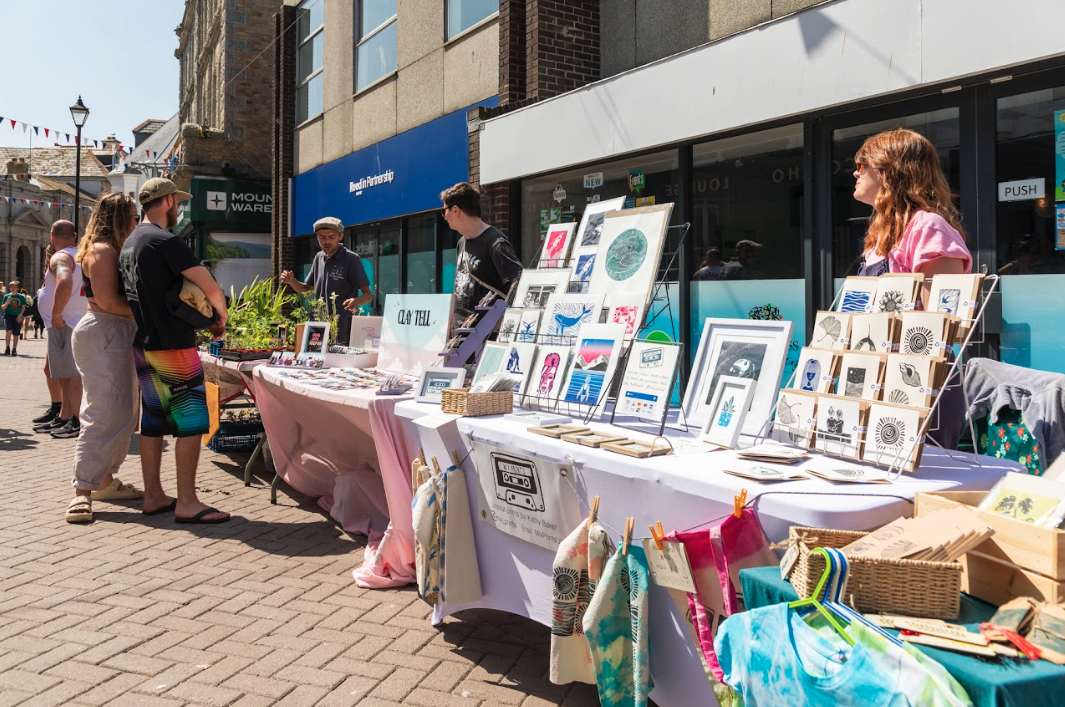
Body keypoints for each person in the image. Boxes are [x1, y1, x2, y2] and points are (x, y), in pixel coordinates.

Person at [851, 127, 971, 450]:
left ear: (891, 170)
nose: (855, 172)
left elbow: (941, 327)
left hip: (919, 389)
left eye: (863, 165)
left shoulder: (928, 227)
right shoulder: (879, 237)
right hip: (879, 384)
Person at [120, 178, 230, 523]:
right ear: (168, 200)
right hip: (173, 344)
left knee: (152, 421)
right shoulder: (164, 240)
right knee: (191, 421)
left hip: (145, 343)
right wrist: (221, 315)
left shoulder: (130, 242)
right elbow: (206, 282)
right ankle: (187, 502)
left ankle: (153, 496)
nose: (178, 206)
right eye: (176, 201)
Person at [65, 193, 145, 523]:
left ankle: (105, 480)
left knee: (123, 412)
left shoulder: (113, 250)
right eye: (132, 215)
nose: (137, 222)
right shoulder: (101, 250)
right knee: (104, 410)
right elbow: (109, 302)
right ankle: (81, 492)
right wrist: (154, 309)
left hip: (116, 331)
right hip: (106, 330)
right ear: (118, 217)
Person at [440, 182, 524, 331]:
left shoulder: (494, 242)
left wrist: (501, 321)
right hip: (460, 341)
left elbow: (518, 280)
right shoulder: (461, 242)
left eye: (444, 210)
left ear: (455, 210)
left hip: (483, 341)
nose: (444, 216)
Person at [34, 220, 88, 439]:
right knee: (65, 375)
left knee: (72, 376)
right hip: (71, 321)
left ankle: (76, 420)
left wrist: (56, 314)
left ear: (51, 235)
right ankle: (65, 416)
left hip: (65, 322)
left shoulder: (61, 256)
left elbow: (64, 282)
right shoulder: (81, 255)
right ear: (74, 235)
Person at [280, 217, 372, 345]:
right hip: (319, 324)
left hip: (342, 328)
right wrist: (291, 281)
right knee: (318, 361)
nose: (326, 241)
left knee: (340, 362)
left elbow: (368, 295)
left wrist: (356, 301)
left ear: (340, 236)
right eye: (322, 237)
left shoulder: (351, 259)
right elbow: (307, 289)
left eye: (331, 237)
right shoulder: (319, 257)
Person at [2, 280, 26, 356]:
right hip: (8, 315)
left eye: (14, 287)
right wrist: (7, 302)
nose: (12, 288)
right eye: (11, 287)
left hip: (17, 316)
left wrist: (20, 315)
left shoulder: (21, 297)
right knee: (8, 331)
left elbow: (23, 307)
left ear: (17, 288)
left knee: (16, 333)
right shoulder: (6, 296)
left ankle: (14, 349)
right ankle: (7, 348)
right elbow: (3, 307)